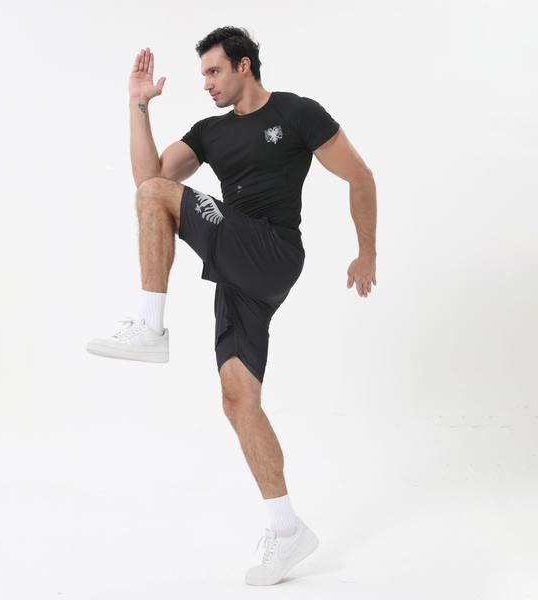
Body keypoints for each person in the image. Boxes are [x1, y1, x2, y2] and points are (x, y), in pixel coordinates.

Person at [87, 26, 377, 585]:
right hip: (240, 271)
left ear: (245, 66)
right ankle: (288, 531)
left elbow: (359, 174)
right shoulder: (210, 132)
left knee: (155, 196)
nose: (207, 84)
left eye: (214, 71)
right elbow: (148, 182)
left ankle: (150, 326)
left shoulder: (296, 113)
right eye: (203, 75)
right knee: (238, 400)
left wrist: (366, 253)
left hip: (272, 250)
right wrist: (139, 106)